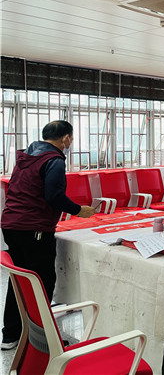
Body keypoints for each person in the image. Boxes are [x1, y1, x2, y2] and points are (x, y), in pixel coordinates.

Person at [1, 120, 96, 349]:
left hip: (11, 224)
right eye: (71, 138)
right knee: (42, 282)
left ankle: (10, 334)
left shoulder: (26, 157)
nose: (71, 142)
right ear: (65, 138)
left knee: (21, 279)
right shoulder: (54, 160)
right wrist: (78, 210)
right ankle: (45, 340)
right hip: (33, 228)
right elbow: (54, 195)